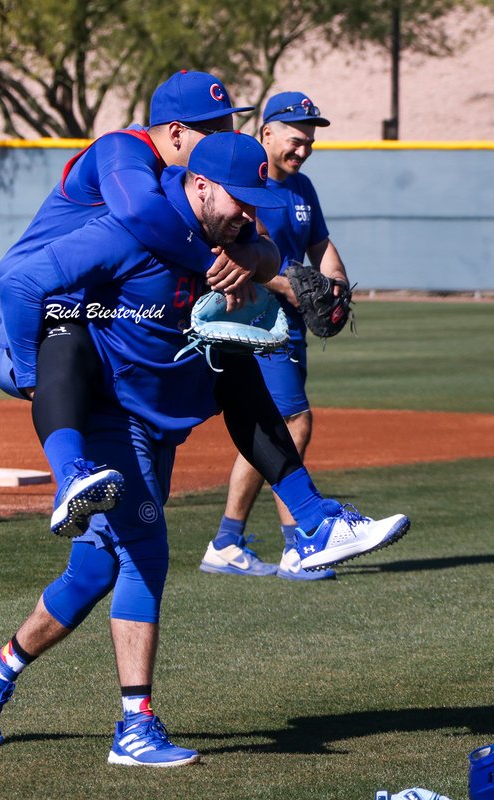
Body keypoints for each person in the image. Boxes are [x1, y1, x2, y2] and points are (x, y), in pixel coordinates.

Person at [0, 132, 411, 767]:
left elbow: (263, 246)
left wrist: (269, 270)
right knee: (147, 554)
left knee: (94, 571)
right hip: (115, 415)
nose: (249, 215)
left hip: (164, 409)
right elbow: (27, 283)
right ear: (198, 185)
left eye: (257, 205)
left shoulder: (230, 239)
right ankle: (134, 727)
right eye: (239, 202)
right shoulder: (127, 230)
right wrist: (37, 381)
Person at [0, 70, 280, 537]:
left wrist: (251, 255)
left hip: (89, 318)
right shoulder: (124, 150)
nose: (228, 137)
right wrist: (216, 264)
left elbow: (266, 249)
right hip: (17, 309)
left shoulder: (196, 190)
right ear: (176, 133)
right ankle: (68, 477)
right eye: (215, 128)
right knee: (65, 345)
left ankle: (313, 514)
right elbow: (139, 212)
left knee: (121, 547)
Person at [198, 91, 353, 581]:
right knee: (294, 422)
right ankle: (300, 543)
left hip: (291, 324)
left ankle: (226, 540)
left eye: (309, 142)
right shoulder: (250, 183)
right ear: (266, 133)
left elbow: (322, 248)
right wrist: (306, 293)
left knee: (266, 429)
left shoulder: (304, 189)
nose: (302, 150)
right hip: (261, 321)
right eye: (295, 140)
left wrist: (338, 288)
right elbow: (251, 260)